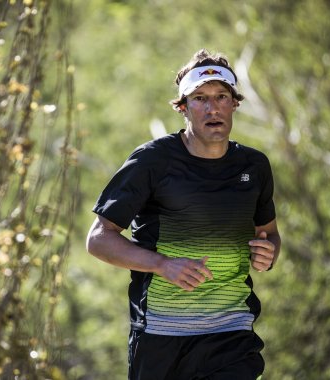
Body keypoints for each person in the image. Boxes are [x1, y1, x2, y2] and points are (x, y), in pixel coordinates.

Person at [86, 48, 281, 380]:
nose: (212, 107)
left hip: (231, 332)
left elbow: (270, 233)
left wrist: (269, 253)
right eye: (200, 98)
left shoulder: (254, 166)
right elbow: (98, 239)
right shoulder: (152, 162)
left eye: (221, 96)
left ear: (234, 104)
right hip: (162, 336)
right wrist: (162, 264)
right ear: (183, 108)